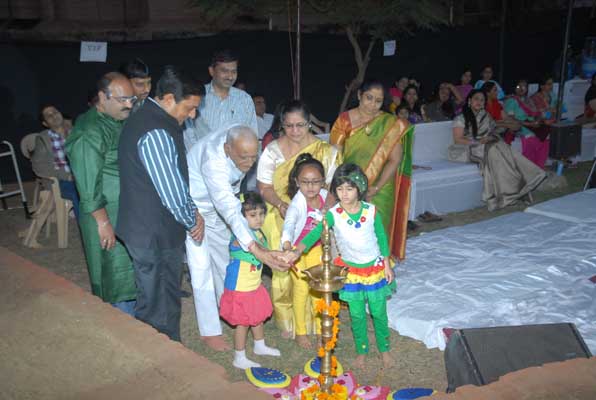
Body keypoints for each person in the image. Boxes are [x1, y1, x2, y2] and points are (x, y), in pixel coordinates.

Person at [116, 66, 205, 341]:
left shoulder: (148, 117)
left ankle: (163, 348)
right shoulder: (155, 131)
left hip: (150, 228)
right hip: (153, 233)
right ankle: (161, 354)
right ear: (168, 99)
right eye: (189, 108)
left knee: (159, 296)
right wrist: (192, 219)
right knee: (158, 305)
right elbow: (171, 191)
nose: (193, 115)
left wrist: (192, 211)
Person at [187, 124, 291, 351]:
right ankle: (210, 331)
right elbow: (228, 207)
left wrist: (259, 247)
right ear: (227, 149)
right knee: (201, 266)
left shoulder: (242, 140)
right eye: (244, 157)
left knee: (227, 263)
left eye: (254, 157)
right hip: (195, 207)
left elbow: (232, 204)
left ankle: (231, 312)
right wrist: (256, 249)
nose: (250, 163)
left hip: (224, 206)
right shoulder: (213, 161)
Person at [288, 164, 396, 369]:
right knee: (357, 315)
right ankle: (362, 351)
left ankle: (385, 350)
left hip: (374, 269)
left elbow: (381, 237)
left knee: (378, 313)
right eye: (339, 189)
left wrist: (387, 264)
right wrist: (296, 251)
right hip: (352, 273)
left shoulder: (371, 211)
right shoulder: (333, 214)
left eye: (349, 189)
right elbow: (315, 233)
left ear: (359, 188)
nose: (344, 194)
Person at [257, 100, 341, 338]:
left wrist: (324, 212)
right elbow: (264, 187)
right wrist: (281, 205)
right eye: (289, 126)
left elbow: (333, 189)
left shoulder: (326, 152)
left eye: (300, 125)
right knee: (283, 263)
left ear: (309, 123)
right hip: (280, 210)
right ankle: (287, 321)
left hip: (316, 212)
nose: (295, 131)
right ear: (282, 124)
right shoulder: (272, 151)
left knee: (315, 264)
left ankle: (315, 320)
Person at [65, 72, 137, 315]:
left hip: (125, 210)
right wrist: (103, 222)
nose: (129, 105)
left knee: (130, 271)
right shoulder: (89, 131)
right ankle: (123, 324)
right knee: (114, 273)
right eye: (122, 100)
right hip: (106, 212)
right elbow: (87, 184)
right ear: (102, 97)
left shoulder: (116, 119)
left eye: (132, 99)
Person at [330, 80, 413, 260]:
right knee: (351, 230)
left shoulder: (390, 124)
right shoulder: (344, 120)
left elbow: (395, 159)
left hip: (381, 185)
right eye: (369, 98)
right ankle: (353, 266)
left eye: (378, 101)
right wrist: (345, 186)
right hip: (349, 185)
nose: (372, 105)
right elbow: (334, 157)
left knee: (378, 228)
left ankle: (380, 266)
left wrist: (376, 187)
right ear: (359, 95)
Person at [449, 89, 546, 211]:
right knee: (495, 149)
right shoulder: (461, 118)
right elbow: (457, 139)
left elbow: (494, 130)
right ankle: (509, 193)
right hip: (465, 148)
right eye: (476, 99)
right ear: (469, 101)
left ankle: (520, 185)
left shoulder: (485, 115)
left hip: (484, 145)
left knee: (502, 147)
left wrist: (507, 127)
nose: (479, 102)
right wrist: (478, 141)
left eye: (482, 100)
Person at [220, 192, 281, 369]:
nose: (259, 219)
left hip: (253, 285)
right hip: (240, 287)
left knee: (257, 316)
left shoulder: (258, 233)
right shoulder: (240, 237)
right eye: (253, 215)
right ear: (240, 217)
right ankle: (239, 357)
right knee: (243, 323)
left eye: (261, 214)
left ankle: (259, 345)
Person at [280, 154, 327, 349]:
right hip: (297, 253)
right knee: (300, 291)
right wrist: (287, 246)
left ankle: (320, 329)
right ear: (297, 182)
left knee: (318, 289)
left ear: (323, 181)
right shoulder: (296, 204)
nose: (310, 187)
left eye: (315, 182)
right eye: (305, 182)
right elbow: (289, 225)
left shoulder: (326, 197)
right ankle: (300, 332)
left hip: (317, 249)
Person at [31, 105, 80, 219]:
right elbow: (38, 166)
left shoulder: (76, 130)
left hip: (83, 175)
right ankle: (86, 225)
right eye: (49, 115)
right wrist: (66, 176)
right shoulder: (43, 139)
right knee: (78, 192)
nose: (53, 116)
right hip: (62, 180)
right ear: (45, 123)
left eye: (55, 112)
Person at [503, 79, 550, 168]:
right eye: (518, 86)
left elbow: (537, 113)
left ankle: (539, 169)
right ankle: (530, 168)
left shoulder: (529, 100)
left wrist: (537, 120)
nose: (521, 88)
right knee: (532, 139)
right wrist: (529, 124)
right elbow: (511, 119)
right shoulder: (511, 101)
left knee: (546, 139)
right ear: (514, 88)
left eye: (524, 86)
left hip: (533, 126)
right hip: (520, 127)